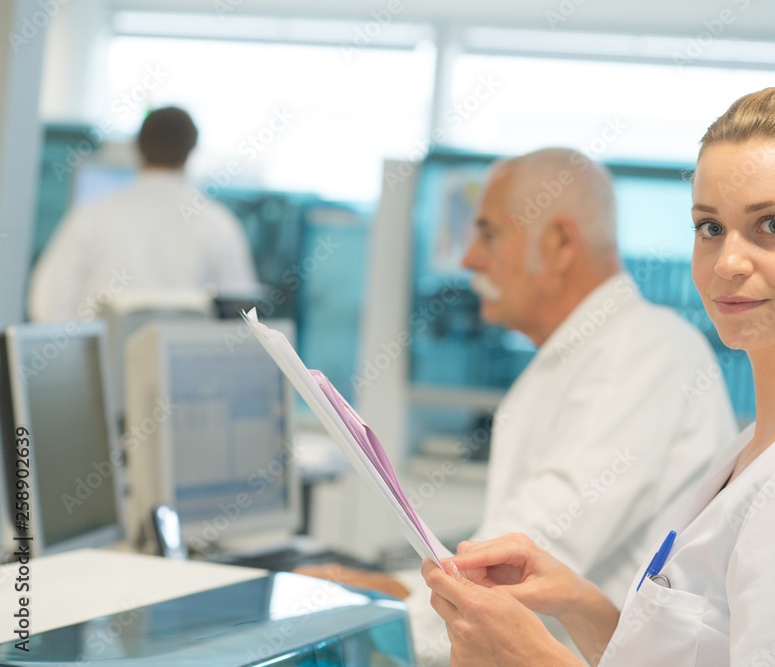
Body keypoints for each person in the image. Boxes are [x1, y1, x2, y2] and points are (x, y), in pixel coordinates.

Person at [420, 86, 775, 666]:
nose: (729, 262)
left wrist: (534, 657)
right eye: (710, 227)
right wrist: (578, 602)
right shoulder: (769, 445)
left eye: (772, 225)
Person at [299, 147, 737, 664]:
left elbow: (534, 557)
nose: (469, 259)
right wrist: (382, 591)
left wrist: (373, 605)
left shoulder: (642, 352)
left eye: (488, 233)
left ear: (558, 243)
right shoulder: (584, 355)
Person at [29, 106, 258, 322]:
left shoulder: (91, 216)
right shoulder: (217, 224)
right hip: (181, 361)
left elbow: (47, 307)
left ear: (137, 148)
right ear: (190, 151)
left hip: (104, 362)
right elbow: (242, 316)